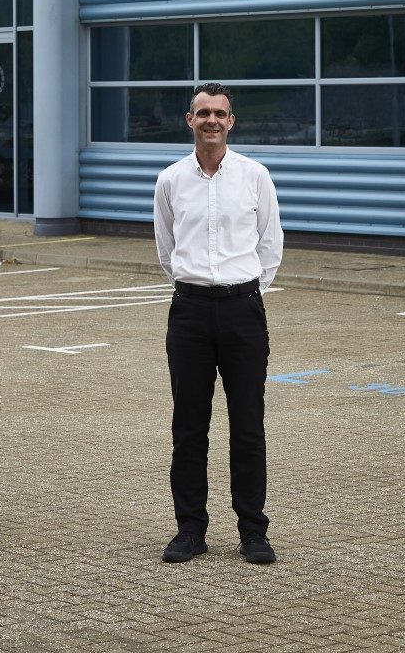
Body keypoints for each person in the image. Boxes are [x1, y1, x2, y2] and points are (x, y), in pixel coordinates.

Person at [154, 83, 283, 564]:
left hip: (242, 312)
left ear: (232, 120)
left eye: (220, 113)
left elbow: (270, 245)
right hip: (188, 313)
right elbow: (166, 249)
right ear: (189, 120)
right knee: (188, 429)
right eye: (202, 112)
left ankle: (253, 529)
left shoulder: (255, 176)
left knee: (248, 426)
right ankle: (190, 530)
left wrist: (241, 292)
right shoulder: (170, 179)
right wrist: (199, 289)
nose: (211, 120)